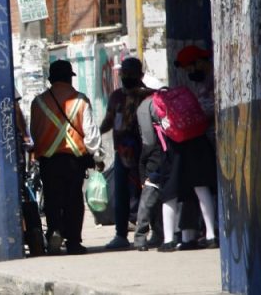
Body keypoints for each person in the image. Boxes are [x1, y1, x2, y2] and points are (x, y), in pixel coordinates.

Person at [30, 60, 103, 255]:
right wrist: (97, 156)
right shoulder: (81, 100)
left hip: (48, 161)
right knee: (74, 201)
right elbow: (91, 133)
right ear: (70, 78)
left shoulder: (37, 103)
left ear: (50, 79)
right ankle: (73, 242)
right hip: (74, 161)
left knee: (52, 199)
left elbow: (34, 132)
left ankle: (55, 232)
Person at [100, 57, 155, 250]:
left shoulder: (149, 96)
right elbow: (108, 121)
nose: (127, 77)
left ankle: (155, 232)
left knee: (149, 193)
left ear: (140, 75)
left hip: (146, 153)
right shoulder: (116, 97)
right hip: (122, 153)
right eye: (125, 73)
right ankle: (121, 234)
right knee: (122, 194)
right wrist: (94, 135)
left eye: (131, 74)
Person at [171, 45, 219, 250]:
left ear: (200, 62)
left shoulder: (215, 80)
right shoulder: (202, 85)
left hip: (217, 141)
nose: (190, 74)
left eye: (190, 68)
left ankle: (212, 231)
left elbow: (209, 110)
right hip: (205, 141)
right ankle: (200, 231)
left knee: (207, 187)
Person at [133, 94, 169, 251]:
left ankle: (141, 237)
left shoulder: (145, 108)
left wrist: (143, 176)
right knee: (164, 202)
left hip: (154, 166)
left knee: (147, 203)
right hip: (169, 163)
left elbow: (146, 148)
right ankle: (158, 235)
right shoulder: (166, 127)